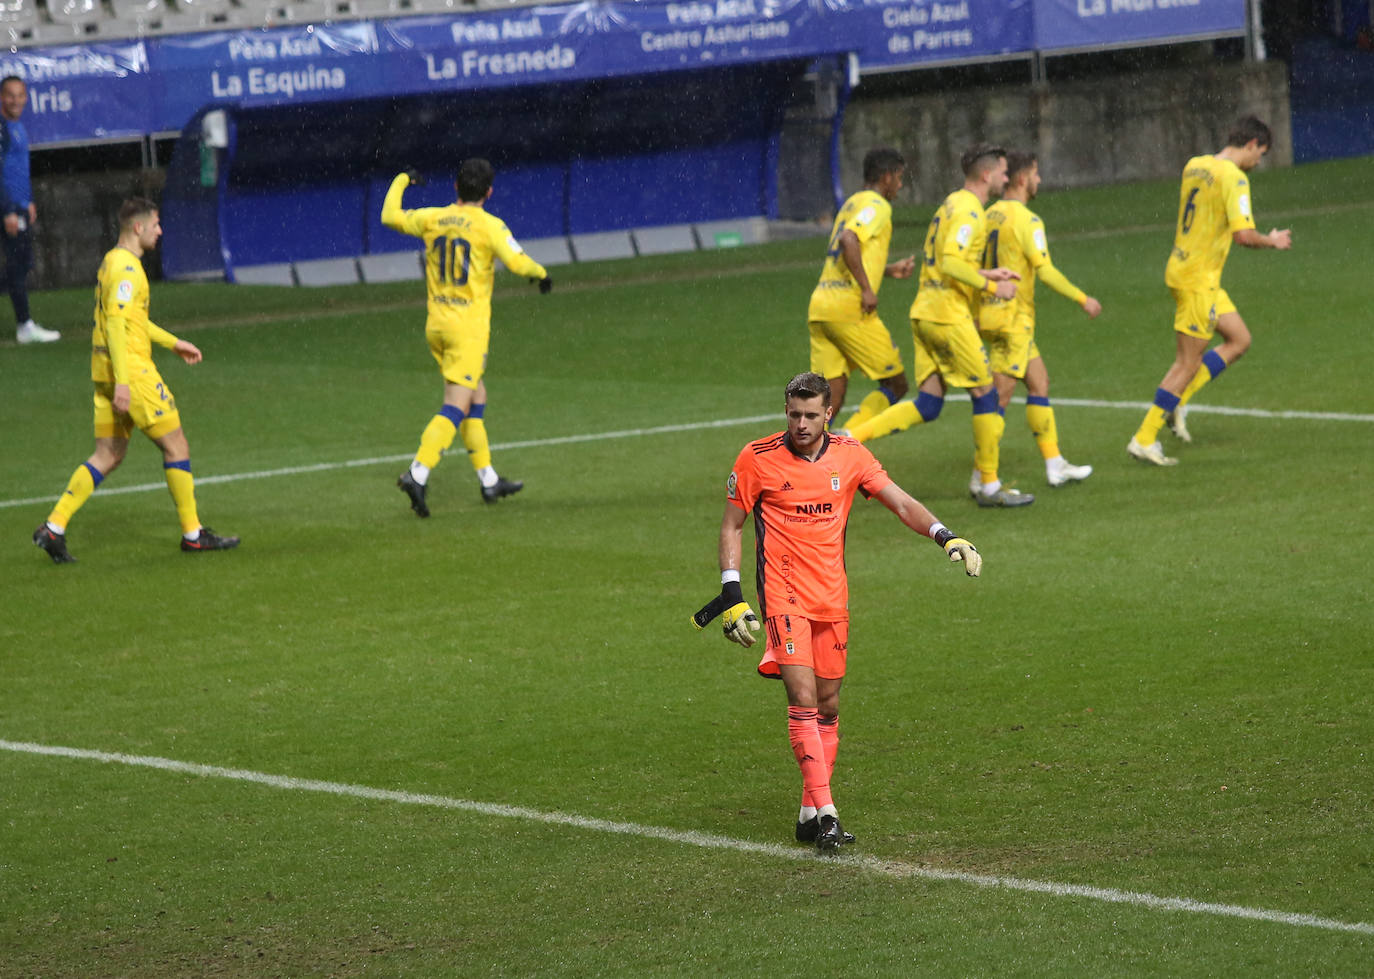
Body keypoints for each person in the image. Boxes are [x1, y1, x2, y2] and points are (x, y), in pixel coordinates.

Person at [714, 371, 982, 852]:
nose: (800, 424)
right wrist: (732, 594)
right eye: (793, 414)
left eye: (810, 415)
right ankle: (830, 813)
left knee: (829, 704)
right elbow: (733, 525)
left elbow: (899, 502)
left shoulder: (851, 455)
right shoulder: (756, 458)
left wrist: (947, 535)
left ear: (828, 413)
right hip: (784, 595)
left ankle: (807, 812)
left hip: (832, 598)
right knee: (801, 698)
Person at [32, 197, 238, 563]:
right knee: (177, 446)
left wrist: (173, 343)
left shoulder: (112, 261)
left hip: (105, 372)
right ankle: (193, 535)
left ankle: (54, 527)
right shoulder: (128, 270)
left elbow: (131, 321)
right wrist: (125, 383)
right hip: (132, 374)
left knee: (108, 454)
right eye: (156, 224)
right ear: (138, 227)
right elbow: (115, 323)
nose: (160, 230)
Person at [849, 143, 1031, 507]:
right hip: (948, 316)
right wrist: (995, 286)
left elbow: (948, 262)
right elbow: (950, 263)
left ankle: (848, 438)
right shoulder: (970, 213)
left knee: (930, 403)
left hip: (924, 312)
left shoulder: (952, 203)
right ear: (986, 174)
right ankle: (989, 486)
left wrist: (985, 271)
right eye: (1002, 171)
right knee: (986, 393)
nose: (1006, 178)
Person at [381, 159, 551, 516]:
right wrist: (542, 274)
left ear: (455, 189)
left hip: (437, 325)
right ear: (488, 193)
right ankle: (418, 472)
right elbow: (518, 263)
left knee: (476, 396)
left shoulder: (432, 218)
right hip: (467, 332)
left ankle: (489, 481)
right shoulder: (490, 226)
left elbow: (390, 216)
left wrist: (402, 180)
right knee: (456, 404)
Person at [1127, 116, 1292, 465]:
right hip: (1198, 279)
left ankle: (1177, 402)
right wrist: (1273, 241)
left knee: (1239, 339)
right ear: (1250, 145)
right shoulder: (1235, 178)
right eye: (1260, 153)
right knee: (1187, 363)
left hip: (1187, 267)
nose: (1259, 161)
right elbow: (1244, 235)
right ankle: (1144, 437)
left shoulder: (1195, 165)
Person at [976, 150, 1102, 490]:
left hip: (990, 312)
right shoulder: (1027, 220)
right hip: (1012, 319)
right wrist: (1082, 298)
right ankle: (982, 476)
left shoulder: (990, 214)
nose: (1039, 180)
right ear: (1021, 178)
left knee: (1039, 382)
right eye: (1036, 174)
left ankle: (1054, 463)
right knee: (998, 398)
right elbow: (1044, 270)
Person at [806, 147, 916, 428]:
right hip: (849, 307)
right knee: (896, 383)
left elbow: (845, 251)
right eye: (899, 178)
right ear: (887, 177)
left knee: (831, 395)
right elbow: (848, 240)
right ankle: (850, 438)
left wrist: (888, 270)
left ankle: (801, 463)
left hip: (821, 306)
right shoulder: (877, 206)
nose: (900, 185)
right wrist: (867, 289)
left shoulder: (850, 203)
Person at [1, 76, 58, 345]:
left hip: (20, 206)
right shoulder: (1, 128)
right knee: (18, 264)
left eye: (19, 95)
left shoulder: (18, 127)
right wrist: (9, 209)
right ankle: (24, 325)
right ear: (1, 97)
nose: (15, 100)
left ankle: (25, 324)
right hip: (7, 208)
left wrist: (29, 200)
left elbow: (18, 169)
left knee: (22, 264)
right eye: (10, 95)